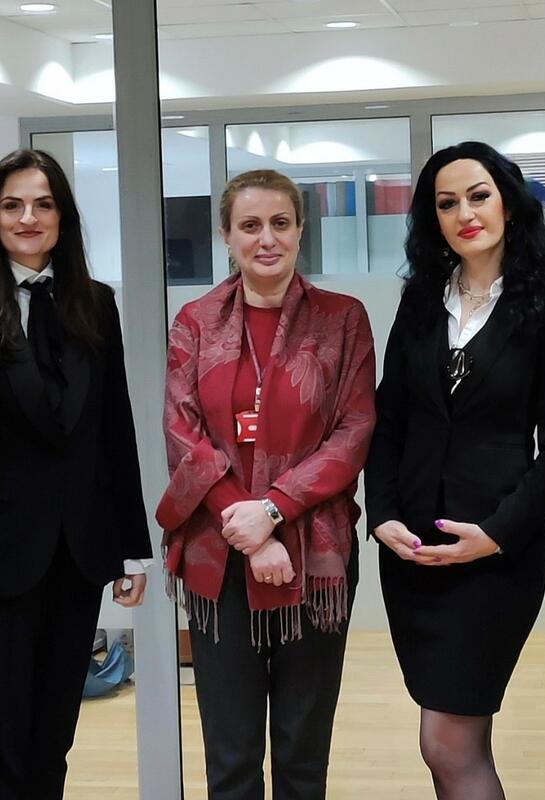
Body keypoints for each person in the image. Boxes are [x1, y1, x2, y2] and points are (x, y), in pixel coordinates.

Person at [364, 141, 545, 800]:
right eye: (447, 202)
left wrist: (496, 534)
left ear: (509, 205)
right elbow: (389, 419)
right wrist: (382, 515)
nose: (464, 213)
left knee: (446, 743)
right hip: (413, 556)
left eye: (479, 196)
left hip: (494, 558)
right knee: (447, 745)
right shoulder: (421, 302)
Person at [0, 148, 152, 798]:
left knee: (55, 738)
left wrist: (131, 550)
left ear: (63, 217)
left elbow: (114, 427)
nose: (28, 217)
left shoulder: (96, 304)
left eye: (43, 204)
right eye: (12, 205)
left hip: (78, 553)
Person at [156, 169, 376, 800]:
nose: (267, 239)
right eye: (250, 225)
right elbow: (182, 432)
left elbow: (354, 430)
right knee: (231, 758)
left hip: (313, 550)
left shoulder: (342, 319)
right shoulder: (196, 321)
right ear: (226, 236)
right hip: (219, 553)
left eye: (281, 223)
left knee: (303, 757)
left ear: (301, 230)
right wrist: (247, 526)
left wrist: (273, 511)